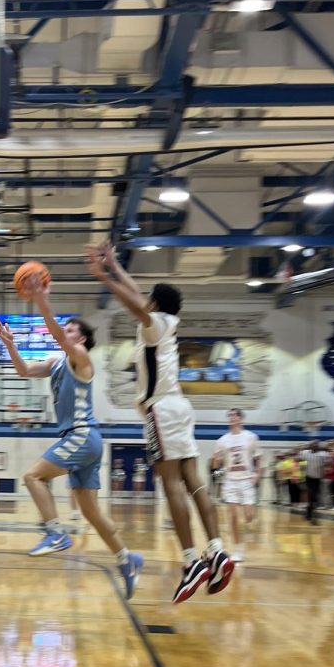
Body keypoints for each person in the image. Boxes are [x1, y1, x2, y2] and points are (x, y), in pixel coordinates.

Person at [86, 241, 233, 603]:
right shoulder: (167, 323)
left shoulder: (152, 325)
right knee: (192, 480)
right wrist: (116, 263)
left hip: (160, 410)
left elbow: (134, 302)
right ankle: (215, 550)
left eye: (148, 300)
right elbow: (139, 296)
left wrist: (104, 275)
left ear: (154, 305)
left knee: (170, 485)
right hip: (181, 407)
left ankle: (190, 562)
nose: (143, 301)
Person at [0, 275, 143, 599]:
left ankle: (55, 533)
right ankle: (127, 558)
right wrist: (9, 344)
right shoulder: (57, 361)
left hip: (81, 435)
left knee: (33, 476)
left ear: (84, 340)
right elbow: (23, 371)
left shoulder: (82, 360)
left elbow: (60, 337)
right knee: (91, 512)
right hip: (85, 440)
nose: (67, 332)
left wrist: (40, 299)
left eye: (73, 330)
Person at [211, 409, 261, 563]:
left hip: (246, 480)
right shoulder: (222, 440)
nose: (231, 418)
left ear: (241, 419)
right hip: (230, 481)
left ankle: (249, 524)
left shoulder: (251, 437)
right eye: (229, 416)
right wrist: (215, 459)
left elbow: (259, 458)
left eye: (234, 415)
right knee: (232, 515)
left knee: (248, 516)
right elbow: (215, 464)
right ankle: (238, 549)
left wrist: (257, 475)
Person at [300, 440, 332, 524]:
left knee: (314, 496)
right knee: (311, 494)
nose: (314, 446)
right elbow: (298, 459)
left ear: (318, 446)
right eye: (313, 444)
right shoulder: (305, 453)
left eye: (316, 444)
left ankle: (309, 513)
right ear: (310, 446)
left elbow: (329, 462)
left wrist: (327, 465)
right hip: (309, 477)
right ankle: (311, 515)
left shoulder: (323, 454)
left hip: (317, 478)